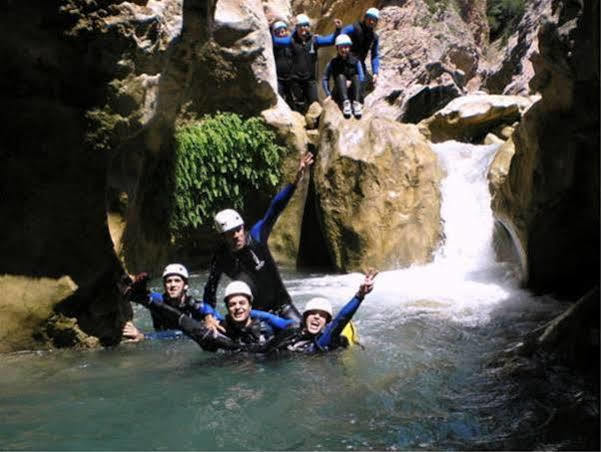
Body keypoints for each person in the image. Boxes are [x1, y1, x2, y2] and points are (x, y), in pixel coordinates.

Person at [203, 152, 314, 325]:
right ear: (222, 236)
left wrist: (295, 180)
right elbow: (209, 290)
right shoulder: (220, 258)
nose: (237, 235)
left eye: (238, 229)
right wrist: (209, 315)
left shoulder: (256, 235)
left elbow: (275, 208)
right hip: (253, 315)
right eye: (230, 232)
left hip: (282, 307)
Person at [132, 280, 294, 352]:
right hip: (233, 357)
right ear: (227, 307)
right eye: (232, 304)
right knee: (194, 328)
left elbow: (292, 326)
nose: (237, 308)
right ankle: (143, 298)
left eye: (242, 303)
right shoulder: (221, 327)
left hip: (264, 359)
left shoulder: (266, 324)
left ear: (250, 305)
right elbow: (184, 324)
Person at [258, 270, 377, 354]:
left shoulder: (323, 340)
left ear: (326, 323)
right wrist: (247, 311)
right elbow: (269, 318)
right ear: (305, 318)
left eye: (322, 315)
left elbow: (341, 319)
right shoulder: (292, 327)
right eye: (313, 313)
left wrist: (360, 295)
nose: (316, 317)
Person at [121, 263, 221, 342]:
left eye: (177, 281)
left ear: (185, 285)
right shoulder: (157, 300)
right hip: (163, 346)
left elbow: (207, 309)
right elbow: (138, 297)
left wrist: (209, 317)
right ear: (164, 285)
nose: (172, 285)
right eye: (169, 281)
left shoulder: (192, 304)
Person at [272, 14, 342, 113]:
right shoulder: (291, 41)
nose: (303, 28)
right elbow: (275, 41)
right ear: (296, 28)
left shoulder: (315, 40)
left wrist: (338, 29)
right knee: (299, 106)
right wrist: (269, 29)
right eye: (300, 26)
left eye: (305, 25)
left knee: (315, 105)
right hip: (295, 81)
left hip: (310, 80)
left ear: (309, 27)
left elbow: (331, 40)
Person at [338, 8, 380, 96]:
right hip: (346, 61)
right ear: (365, 18)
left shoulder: (374, 37)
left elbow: (374, 55)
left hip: (359, 63)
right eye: (370, 18)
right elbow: (340, 36)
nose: (371, 22)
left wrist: (375, 72)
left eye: (374, 20)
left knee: (364, 85)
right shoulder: (353, 28)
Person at [322, 34, 366, 118]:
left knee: (356, 76)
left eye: (346, 47)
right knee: (340, 76)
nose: (343, 50)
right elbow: (325, 78)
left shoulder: (356, 61)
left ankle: (356, 103)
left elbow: (362, 77)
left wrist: (352, 83)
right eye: (341, 47)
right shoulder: (333, 62)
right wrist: (328, 94)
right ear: (337, 48)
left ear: (349, 48)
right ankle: (346, 103)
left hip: (353, 91)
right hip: (340, 91)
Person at [271, 20, 294, 104]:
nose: (281, 34)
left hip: (291, 77)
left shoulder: (291, 43)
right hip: (279, 78)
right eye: (278, 32)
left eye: (282, 31)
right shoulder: (274, 44)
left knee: (292, 99)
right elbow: (272, 39)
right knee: (279, 100)